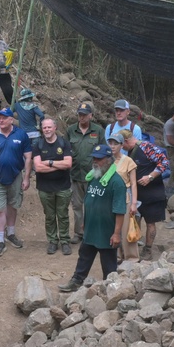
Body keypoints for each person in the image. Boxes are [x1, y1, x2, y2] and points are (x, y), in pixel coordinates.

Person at [57, 144, 126, 293]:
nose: (95, 161)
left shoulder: (116, 182)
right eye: (94, 158)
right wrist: (84, 222)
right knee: (84, 256)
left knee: (108, 264)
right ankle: (76, 281)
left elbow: (120, 210)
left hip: (107, 230)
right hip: (91, 226)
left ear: (109, 160)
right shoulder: (94, 176)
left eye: (99, 159)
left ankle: (110, 289)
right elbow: (89, 201)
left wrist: (116, 233)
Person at [0, 108, 32, 256]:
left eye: (4, 118)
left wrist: (27, 177)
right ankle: (1, 240)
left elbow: (28, 157)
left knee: (13, 205)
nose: (1, 120)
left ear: (11, 120)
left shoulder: (21, 135)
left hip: (16, 176)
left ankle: (11, 233)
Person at [33, 118, 73, 255]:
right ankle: (52, 241)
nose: (47, 130)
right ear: (41, 129)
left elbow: (68, 164)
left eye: (49, 127)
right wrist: (58, 165)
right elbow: (38, 167)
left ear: (55, 127)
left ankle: (65, 241)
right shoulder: (38, 144)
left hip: (63, 186)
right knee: (49, 216)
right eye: (44, 128)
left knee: (63, 215)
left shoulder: (64, 143)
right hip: (45, 187)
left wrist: (49, 162)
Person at [67, 103, 104, 245]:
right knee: (77, 205)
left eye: (84, 114)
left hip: (94, 175)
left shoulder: (98, 131)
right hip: (75, 174)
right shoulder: (71, 130)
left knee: (94, 204)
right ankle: (79, 233)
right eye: (80, 114)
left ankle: (93, 232)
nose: (81, 117)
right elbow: (66, 150)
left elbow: (104, 152)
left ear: (90, 115)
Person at [131, 134, 169, 256]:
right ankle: (133, 248)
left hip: (153, 193)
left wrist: (150, 176)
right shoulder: (127, 151)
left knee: (150, 222)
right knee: (134, 221)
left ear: (126, 140)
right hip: (137, 193)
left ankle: (148, 250)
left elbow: (164, 161)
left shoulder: (146, 147)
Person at [108, 131, 140, 260]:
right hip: (110, 198)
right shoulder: (106, 160)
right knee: (113, 228)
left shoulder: (128, 161)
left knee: (127, 228)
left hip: (125, 198)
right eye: (110, 143)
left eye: (115, 143)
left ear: (122, 145)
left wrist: (134, 203)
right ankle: (116, 256)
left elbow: (133, 184)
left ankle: (132, 258)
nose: (112, 146)